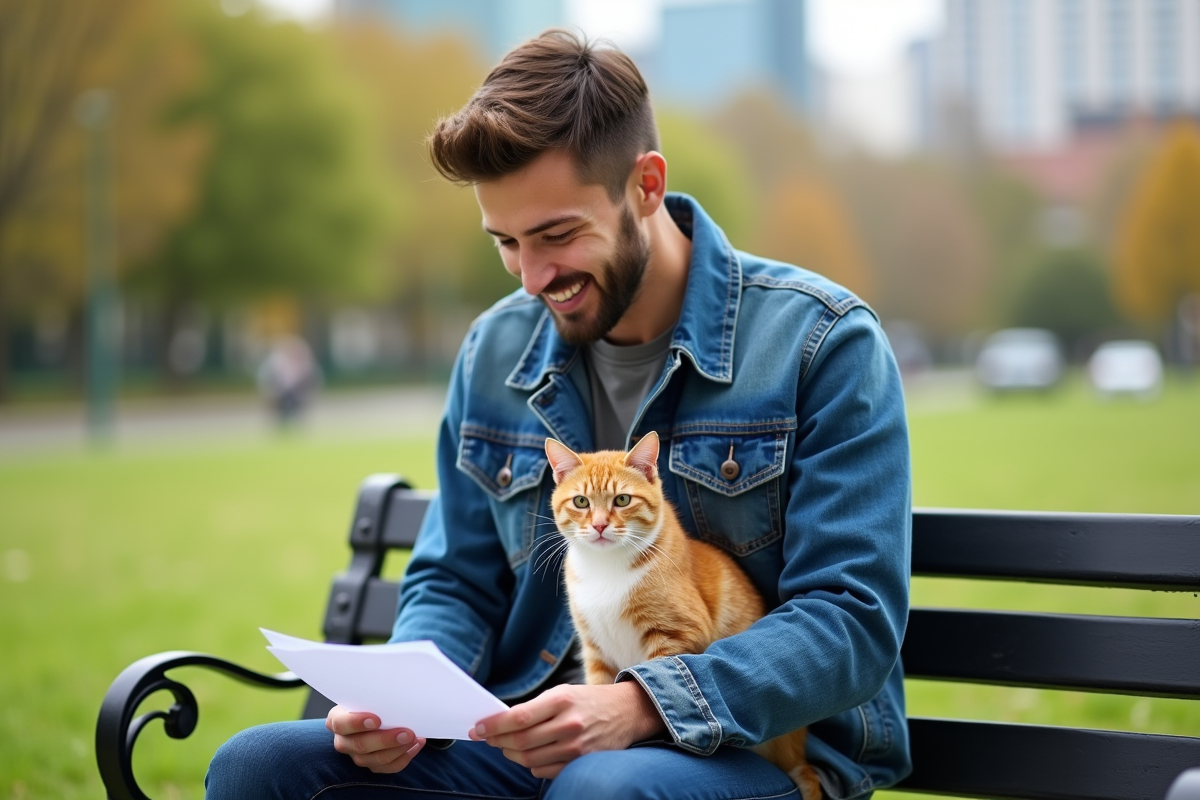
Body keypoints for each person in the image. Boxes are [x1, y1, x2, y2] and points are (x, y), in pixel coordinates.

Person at [206, 29, 911, 800]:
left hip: (757, 752)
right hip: (527, 741)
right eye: (505, 242)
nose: (534, 277)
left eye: (557, 234)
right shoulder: (494, 346)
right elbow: (456, 581)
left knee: (602, 789)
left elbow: (850, 619)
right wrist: (400, 705)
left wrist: (641, 705)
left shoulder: (821, 344)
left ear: (645, 186)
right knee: (259, 768)